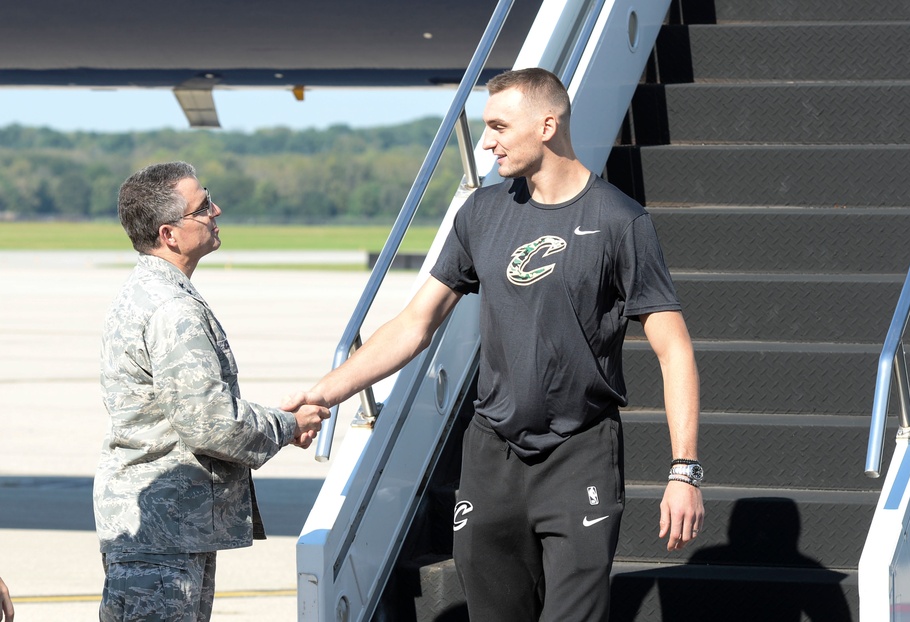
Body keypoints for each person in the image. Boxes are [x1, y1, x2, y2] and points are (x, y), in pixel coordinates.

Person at [285, 67, 704, 620]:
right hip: (491, 455)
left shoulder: (619, 221)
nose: (487, 141)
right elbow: (415, 324)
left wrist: (683, 471)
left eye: (500, 126)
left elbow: (674, 351)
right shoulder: (481, 213)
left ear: (548, 125)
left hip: (580, 455)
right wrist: (326, 391)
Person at [94, 161, 330, 621]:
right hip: (164, 536)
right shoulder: (172, 309)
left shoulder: (148, 291)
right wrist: (287, 425)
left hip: (165, 529)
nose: (216, 210)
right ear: (169, 234)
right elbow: (211, 423)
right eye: (203, 208)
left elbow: (188, 409)